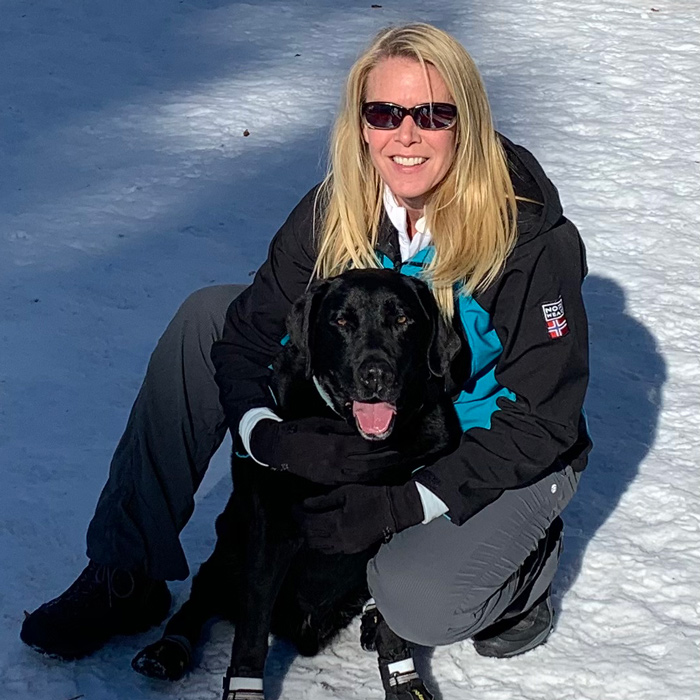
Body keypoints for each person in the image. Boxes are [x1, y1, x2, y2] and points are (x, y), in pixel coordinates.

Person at [21, 21, 591, 690]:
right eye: (384, 113)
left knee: (419, 598)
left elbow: (542, 422)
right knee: (203, 318)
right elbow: (246, 335)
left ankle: (522, 573)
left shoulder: (527, 239)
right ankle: (126, 568)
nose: (406, 134)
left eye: (433, 114)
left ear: (466, 122)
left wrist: (401, 506)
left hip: (497, 450)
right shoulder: (337, 208)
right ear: (360, 126)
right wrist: (271, 439)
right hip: (387, 417)